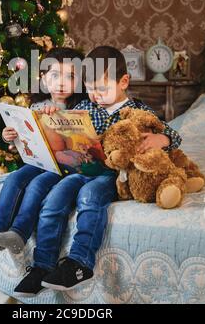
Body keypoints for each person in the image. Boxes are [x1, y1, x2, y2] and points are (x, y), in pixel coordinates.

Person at [13, 46, 182, 296]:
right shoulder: (86, 107)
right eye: (90, 88)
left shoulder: (139, 110)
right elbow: (67, 133)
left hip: (113, 175)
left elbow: (172, 134)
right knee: (54, 198)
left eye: (101, 88)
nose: (95, 95)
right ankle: (42, 265)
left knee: (89, 196)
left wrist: (162, 140)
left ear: (123, 81)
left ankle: (80, 263)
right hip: (84, 168)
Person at [0, 47, 86, 255]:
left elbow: (79, 143)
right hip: (38, 162)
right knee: (13, 179)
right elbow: (25, 137)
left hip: (64, 167)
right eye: (54, 76)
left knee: (36, 185)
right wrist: (10, 134)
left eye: (70, 76)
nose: (61, 83)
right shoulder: (37, 106)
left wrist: (61, 119)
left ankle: (19, 233)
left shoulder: (82, 108)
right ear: (44, 79)